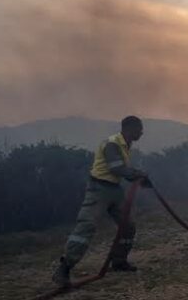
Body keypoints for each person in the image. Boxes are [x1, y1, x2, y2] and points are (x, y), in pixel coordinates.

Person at [51, 116, 150, 287]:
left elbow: (121, 170)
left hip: (115, 189)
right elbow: (117, 168)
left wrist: (139, 178)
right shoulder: (112, 144)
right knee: (87, 225)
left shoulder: (125, 144)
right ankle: (64, 269)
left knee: (128, 226)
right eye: (139, 129)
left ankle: (119, 261)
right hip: (99, 190)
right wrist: (137, 174)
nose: (141, 132)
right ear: (129, 128)